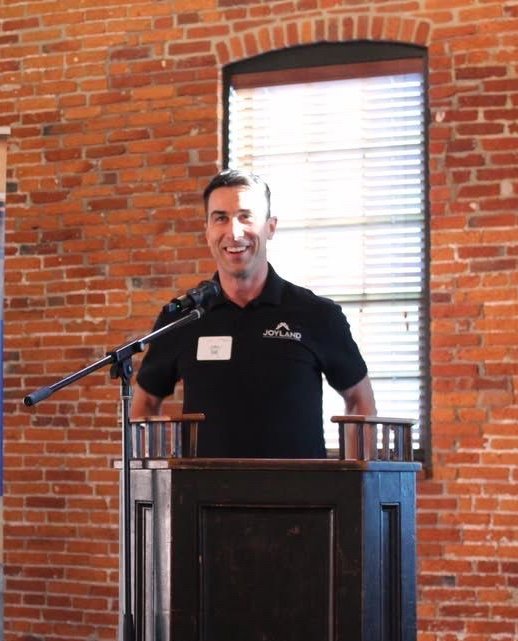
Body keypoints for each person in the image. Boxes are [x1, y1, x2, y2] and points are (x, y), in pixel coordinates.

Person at [131, 168, 376, 459]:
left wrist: (354, 486)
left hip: (302, 500)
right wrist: (157, 486)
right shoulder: (183, 319)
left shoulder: (317, 315)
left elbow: (360, 401)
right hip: (204, 501)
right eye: (220, 218)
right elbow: (144, 404)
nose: (233, 232)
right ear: (207, 230)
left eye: (246, 216)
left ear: (270, 227)